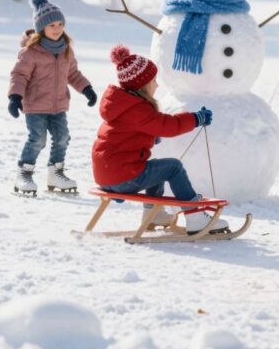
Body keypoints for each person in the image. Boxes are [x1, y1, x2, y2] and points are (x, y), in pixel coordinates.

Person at [91, 45, 227, 235]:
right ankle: (195, 216)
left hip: (107, 176)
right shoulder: (137, 109)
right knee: (172, 167)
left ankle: (154, 215)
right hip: (123, 177)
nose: (157, 85)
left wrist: (149, 137)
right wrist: (196, 118)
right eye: (154, 80)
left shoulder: (122, 106)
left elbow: (125, 136)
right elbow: (167, 125)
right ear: (144, 85)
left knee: (156, 168)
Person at [7, 0, 96, 195]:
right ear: (41, 28)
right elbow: (19, 75)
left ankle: (56, 173)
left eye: (60, 25)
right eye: (51, 25)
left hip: (58, 105)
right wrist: (15, 97)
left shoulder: (66, 50)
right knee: (37, 139)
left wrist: (86, 88)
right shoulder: (31, 52)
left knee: (63, 137)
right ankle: (25, 173)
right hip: (36, 105)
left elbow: (72, 74)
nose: (57, 29)